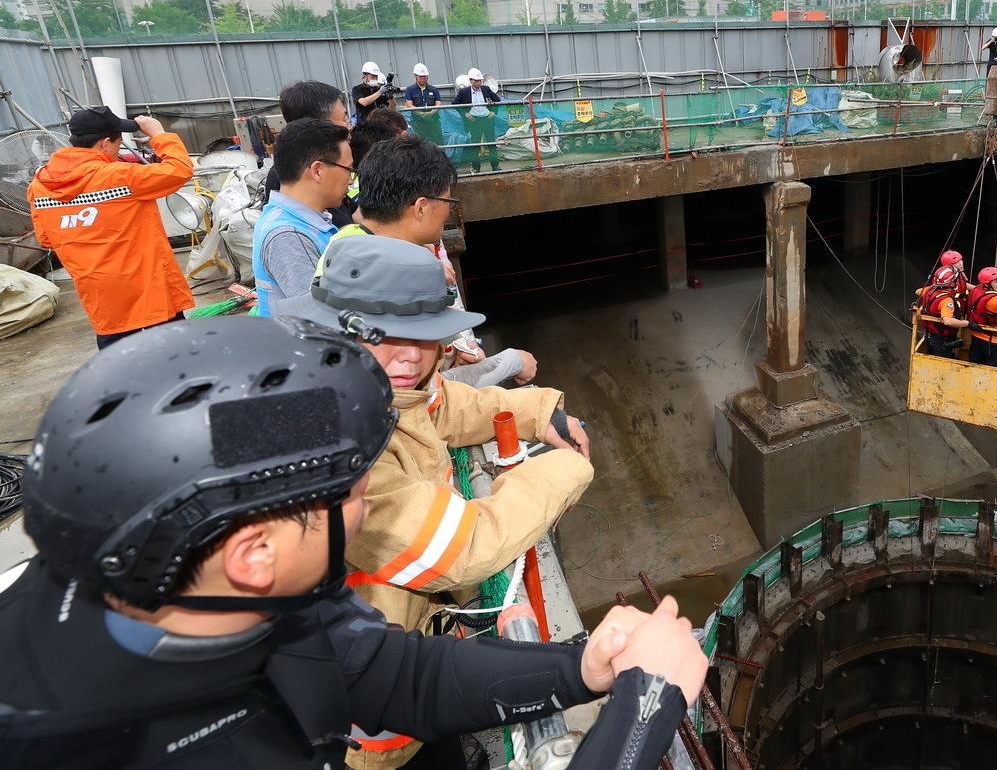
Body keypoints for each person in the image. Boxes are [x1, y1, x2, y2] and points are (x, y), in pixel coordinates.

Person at [0, 315, 705, 769]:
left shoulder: (227, 598)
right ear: (254, 552)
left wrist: (579, 666)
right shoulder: (124, 745)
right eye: (353, 490)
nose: (370, 505)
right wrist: (643, 714)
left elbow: (400, 675)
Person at [281, 236, 586, 765]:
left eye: (423, 336)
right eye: (384, 334)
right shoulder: (336, 441)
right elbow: (464, 547)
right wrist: (564, 469)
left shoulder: (385, 385)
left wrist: (540, 412)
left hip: (409, 653)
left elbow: (449, 405)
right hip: (369, 723)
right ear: (337, 329)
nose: (408, 355)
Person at [335, 136, 538, 388]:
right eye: (447, 202)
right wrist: (513, 361)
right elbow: (426, 393)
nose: (448, 211)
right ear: (421, 208)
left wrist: (450, 346)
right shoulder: (396, 274)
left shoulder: (345, 243)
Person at [27, 106, 194, 349]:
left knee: (120, 371)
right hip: (149, 293)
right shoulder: (121, 177)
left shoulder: (39, 185)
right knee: (176, 364)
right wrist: (160, 135)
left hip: (102, 301)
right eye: (118, 142)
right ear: (105, 144)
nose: (118, 149)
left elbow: (46, 238)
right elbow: (180, 170)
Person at [252, 118, 352, 316]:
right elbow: (321, 314)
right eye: (348, 170)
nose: (350, 180)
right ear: (317, 171)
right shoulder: (288, 234)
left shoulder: (302, 220)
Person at [266, 81, 356, 227]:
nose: (349, 126)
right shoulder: (297, 178)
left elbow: (355, 214)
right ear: (318, 125)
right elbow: (344, 232)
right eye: (343, 119)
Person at [914, 265, 973, 358]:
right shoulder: (946, 300)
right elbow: (947, 321)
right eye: (955, 279)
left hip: (930, 336)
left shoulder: (930, 290)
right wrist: (967, 323)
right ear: (951, 283)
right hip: (942, 340)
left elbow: (918, 291)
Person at [453, 68, 503, 173]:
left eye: (480, 80)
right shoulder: (464, 92)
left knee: (491, 143)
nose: (479, 82)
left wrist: (493, 112)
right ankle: (476, 168)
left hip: (487, 119)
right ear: (471, 81)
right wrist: (466, 114)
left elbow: (497, 100)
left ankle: (495, 166)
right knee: (475, 145)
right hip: (474, 120)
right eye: (476, 80)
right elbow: (455, 104)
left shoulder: (486, 89)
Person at [352, 61, 393, 126]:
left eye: (376, 77)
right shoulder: (357, 89)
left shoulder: (378, 89)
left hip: (382, 125)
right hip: (366, 127)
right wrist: (380, 92)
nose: (375, 79)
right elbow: (364, 102)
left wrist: (391, 97)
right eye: (373, 76)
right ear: (365, 76)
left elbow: (391, 109)